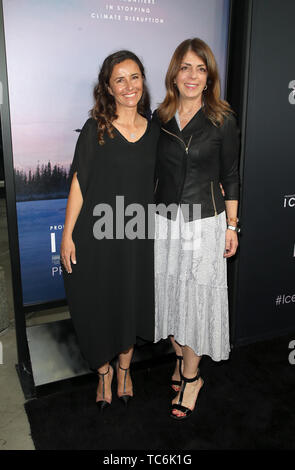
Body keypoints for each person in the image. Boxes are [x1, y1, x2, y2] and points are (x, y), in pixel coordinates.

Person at [60, 50, 159, 410]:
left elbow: (172, 178)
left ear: (143, 82)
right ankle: (102, 372)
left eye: (135, 77)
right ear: (108, 87)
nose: (129, 85)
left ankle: (123, 370)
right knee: (96, 303)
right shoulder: (95, 129)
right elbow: (79, 183)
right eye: (120, 79)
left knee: (129, 303)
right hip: (96, 235)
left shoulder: (155, 133)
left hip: (136, 238)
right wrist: (68, 233)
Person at [153, 38, 240, 420]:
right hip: (164, 224)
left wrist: (232, 225)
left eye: (200, 69)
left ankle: (192, 377)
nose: (191, 76)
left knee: (195, 304)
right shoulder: (159, 117)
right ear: (174, 73)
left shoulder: (222, 118)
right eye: (185, 67)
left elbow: (231, 176)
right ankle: (180, 359)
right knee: (171, 300)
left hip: (205, 223)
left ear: (209, 78)